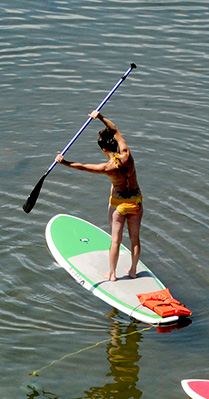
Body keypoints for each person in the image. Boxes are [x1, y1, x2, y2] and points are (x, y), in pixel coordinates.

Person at [56, 110, 142, 282]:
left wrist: (63, 161)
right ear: (115, 144)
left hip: (118, 204)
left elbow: (83, 167)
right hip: (136, 201)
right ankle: (133, 271)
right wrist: (100, 117)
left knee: (116, 240)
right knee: (135, 239)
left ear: (103, 149)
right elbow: (115, 129)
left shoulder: (107, 168)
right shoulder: (127, 153)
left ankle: (112, 274)